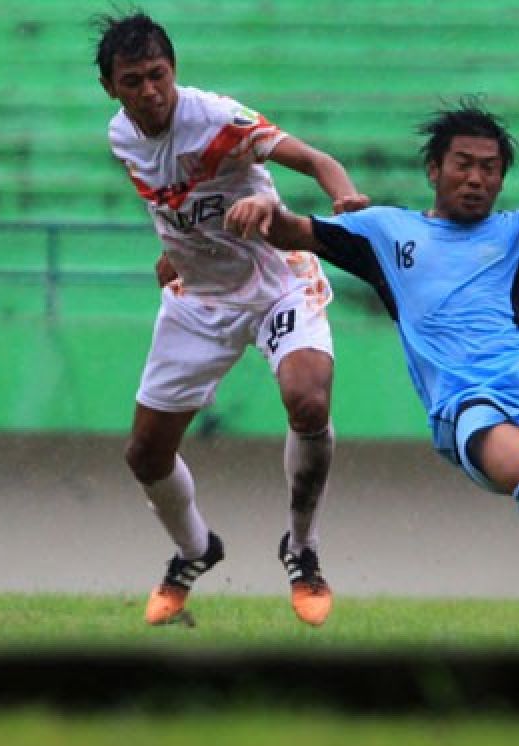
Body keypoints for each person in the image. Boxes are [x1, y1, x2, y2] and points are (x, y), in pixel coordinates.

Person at [223, 99, 519, 597]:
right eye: (464, 165)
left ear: (501, 180)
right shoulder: (384, 230)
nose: (476, 178)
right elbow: (291, 231)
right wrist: (268, 207)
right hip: (466, 403)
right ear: (434, 170)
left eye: (489, 168)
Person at [94, 11, 369, 625]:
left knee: (308, 402)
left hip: (277, 282)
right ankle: (195, 550)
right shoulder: (120, 136)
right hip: (201, 299)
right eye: (133, 80)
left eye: (158, 75)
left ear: (175, 71)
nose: (149, 91)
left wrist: (342, 201)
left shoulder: (217, 119)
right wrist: (177, 251)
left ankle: (302, 549)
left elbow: (317, 161)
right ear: (111, 88)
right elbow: (177, 198)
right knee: (145, 455)